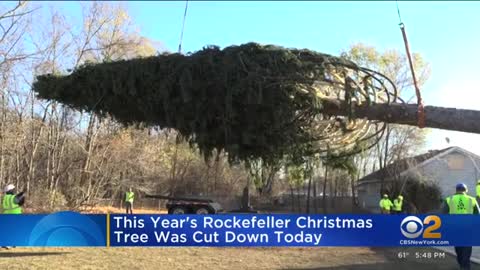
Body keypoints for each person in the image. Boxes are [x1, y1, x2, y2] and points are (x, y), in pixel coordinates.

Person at [442, 183, 479, 270]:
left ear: (456, 190)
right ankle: (465, 266)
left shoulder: (449, 199)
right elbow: (478, 214)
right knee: (466, 248)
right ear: (466, 190)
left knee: (458, 248)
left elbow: (443, 215)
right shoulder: (472, 199)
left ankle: (463, 265)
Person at [2, 184, 25, 250]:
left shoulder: (3, 197)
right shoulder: (14, 197)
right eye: (13, 189)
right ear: (11, 190)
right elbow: (21, 202)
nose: (14, 190)